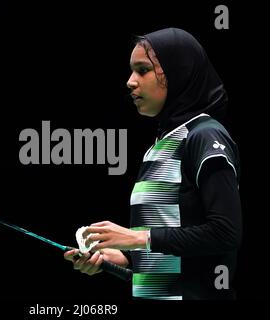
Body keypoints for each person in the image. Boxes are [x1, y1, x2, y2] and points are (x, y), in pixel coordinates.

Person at [64, 27, 242, 300]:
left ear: (179, 71)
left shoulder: (204, 135)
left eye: (143, 70)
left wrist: (137, 239)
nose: (130, 81)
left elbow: (225, 233)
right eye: (132, 70)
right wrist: (121, 260)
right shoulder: (160, 145)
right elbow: (176, 264)